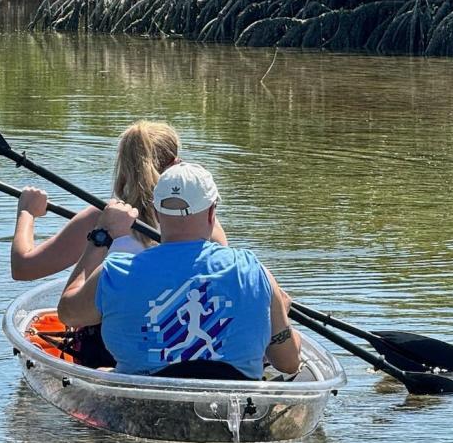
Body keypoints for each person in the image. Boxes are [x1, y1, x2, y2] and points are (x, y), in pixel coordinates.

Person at [57, 161, 301, 379]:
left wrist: (101, 236)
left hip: (142, 408)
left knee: (102, 372)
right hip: (232, 409)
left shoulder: (115, 272)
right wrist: (280, 316)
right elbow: (289, 364)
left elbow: (69, 314)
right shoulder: (256, 273)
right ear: (212, 212)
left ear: (155, 213)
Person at [11, 121, 227, 281]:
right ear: (177, 164)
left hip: (113, 337)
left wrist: (27, 212)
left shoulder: (100, 220)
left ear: (123, 167)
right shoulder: (206, 219)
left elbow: (23, 268)